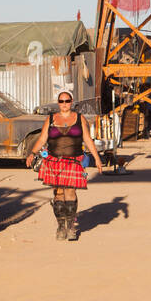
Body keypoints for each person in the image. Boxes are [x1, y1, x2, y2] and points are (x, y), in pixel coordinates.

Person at [25, 93, 104, 241]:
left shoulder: (80, 118)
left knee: (70, 192)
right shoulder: (51, 119)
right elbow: (43, 138)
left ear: (71, 102)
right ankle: (61, 226)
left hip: (73, 161)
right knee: (58, 194)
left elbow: (87, 139)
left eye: (67, 101)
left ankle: (71, 226)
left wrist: (97, 159)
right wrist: (32, 153)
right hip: (54, 162)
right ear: (58, 103)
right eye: (61, 101)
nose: (64, 103)